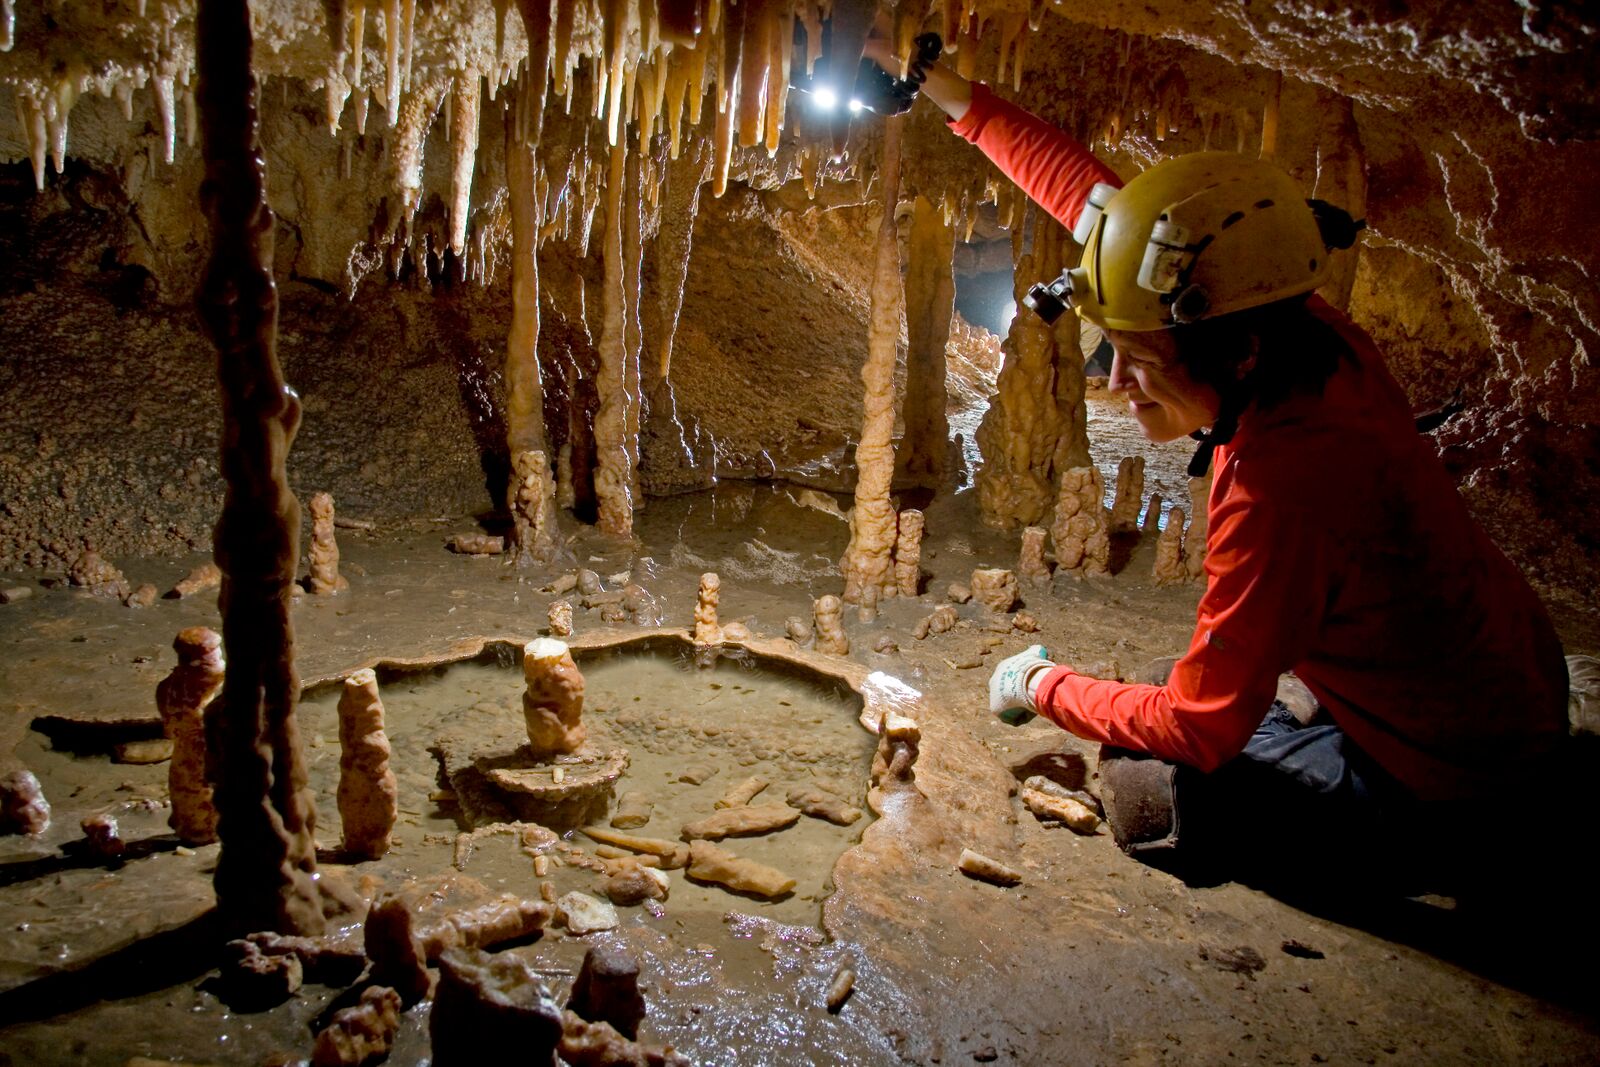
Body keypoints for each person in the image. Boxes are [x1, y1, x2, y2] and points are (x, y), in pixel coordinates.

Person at [865, 39, 1572, 879]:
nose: (1116, 381)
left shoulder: (1278, 486)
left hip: (1458, 780)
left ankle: (1452, 845)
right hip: (1507, 683)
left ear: (1235, 355)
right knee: (1164, 683)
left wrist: (1040, 686)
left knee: (1148, 787)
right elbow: (1102, 208)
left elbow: (1200, 728)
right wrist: (943, 87)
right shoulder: (1302, 328)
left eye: (1140, 359)